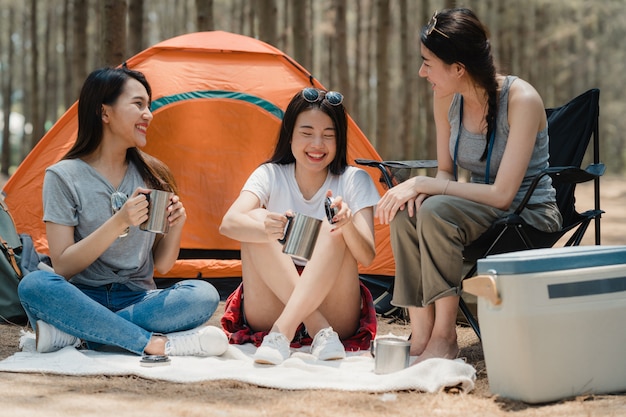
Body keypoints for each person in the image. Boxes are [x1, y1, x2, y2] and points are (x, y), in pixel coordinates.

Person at [376, 8, 562, 363]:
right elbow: (446, 172)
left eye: (428, 63)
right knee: (408, 211)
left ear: (458, 68)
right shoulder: (446, 97)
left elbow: (502, 195)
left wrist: (422, 183)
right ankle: (422, 332)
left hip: (527, 213)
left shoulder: (521, 100)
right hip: (474, 210)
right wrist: (421, 189)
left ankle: (445, 337)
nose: (421, 72)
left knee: (433, 210)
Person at [17, 67, 228, 358]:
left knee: (204, 295)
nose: (149, 114)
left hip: (139, 297)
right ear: (105, 112)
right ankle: (147, 341)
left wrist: (177, 225)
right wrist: (120, 221)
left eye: (149, 105)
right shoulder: (63, 176)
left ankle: (79, 334)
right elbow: (63, 266)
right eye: (138, 104)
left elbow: (163, 266)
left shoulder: (154, 174)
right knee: (35, 284)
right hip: (81, 298)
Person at [219, 87, 380, 365]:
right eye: (307, 133)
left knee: (337, 228)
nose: (317, 144)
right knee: (255, 220)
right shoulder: (270, 174)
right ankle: (317, 328)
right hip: (271, 299)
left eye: (328, 135)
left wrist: (348, 222)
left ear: (339, 140)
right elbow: (229, 224)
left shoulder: (355, 180)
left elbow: (366, 255)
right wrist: (266, 227)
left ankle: (282, 332)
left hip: (335, 305)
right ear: (290, 135)